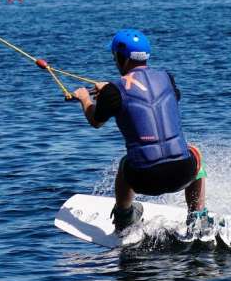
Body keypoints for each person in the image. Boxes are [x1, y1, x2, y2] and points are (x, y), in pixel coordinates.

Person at [71, 28, 209, 237]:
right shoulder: (167, 78)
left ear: (120, 57)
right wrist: (109, 91)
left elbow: (95, 121)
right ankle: (197, 218)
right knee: (195, 153)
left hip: (143, 179)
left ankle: (124, 216)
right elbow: (146, 95)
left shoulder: (113, 91)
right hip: (183, 174)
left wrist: (84, 98)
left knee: (126, 163)